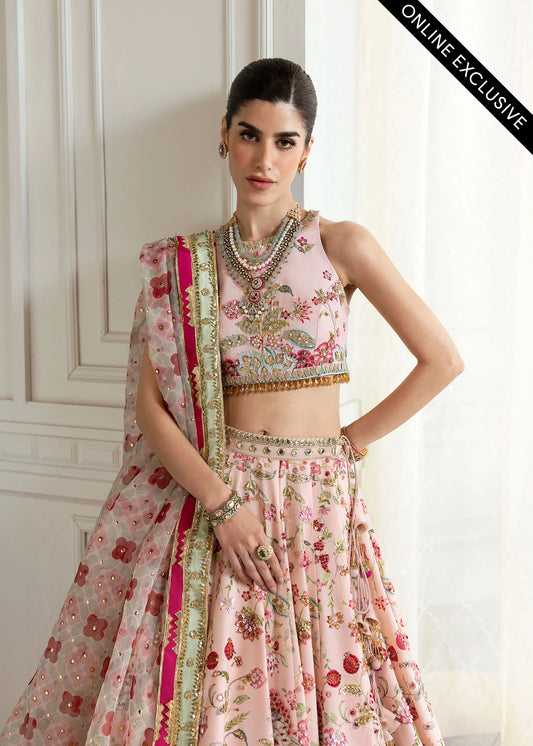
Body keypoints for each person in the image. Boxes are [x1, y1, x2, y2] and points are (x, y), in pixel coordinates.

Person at [0, 57, 463, 746]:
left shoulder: (341, 245)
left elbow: (441, 360)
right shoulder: (181, 265)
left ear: (307, 150)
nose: (264, 159)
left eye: (284, 141)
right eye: (249, 135)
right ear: (223, 136)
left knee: (321, 683)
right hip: (215, 497)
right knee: (210, 693)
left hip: (316, 504)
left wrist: (346, 445)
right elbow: (152, 410)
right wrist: (222, 505)